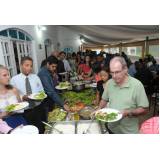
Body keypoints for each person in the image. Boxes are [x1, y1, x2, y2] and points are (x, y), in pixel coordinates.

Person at [96, 56, 149, 134]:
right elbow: (104, 99)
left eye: (117, 72)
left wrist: (128, 112)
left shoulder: (137, 85)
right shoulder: (110, 83)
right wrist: (99, 108)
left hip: (129, 131)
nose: (114, 76)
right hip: (112, 128)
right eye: (112, 72)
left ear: (125, 69)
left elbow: (145, 109)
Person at [10, 57, 46, 133]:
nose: (29, 68)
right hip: (25, 111)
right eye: (27, 65)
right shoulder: (14, 80)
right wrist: (22, 97)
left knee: (41, 128)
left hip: (38, 108)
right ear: (21, 65)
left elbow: (42, 91)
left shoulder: (35, 77)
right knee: (30, 131)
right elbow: (12, 97)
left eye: (31, 66)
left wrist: (41, 96)